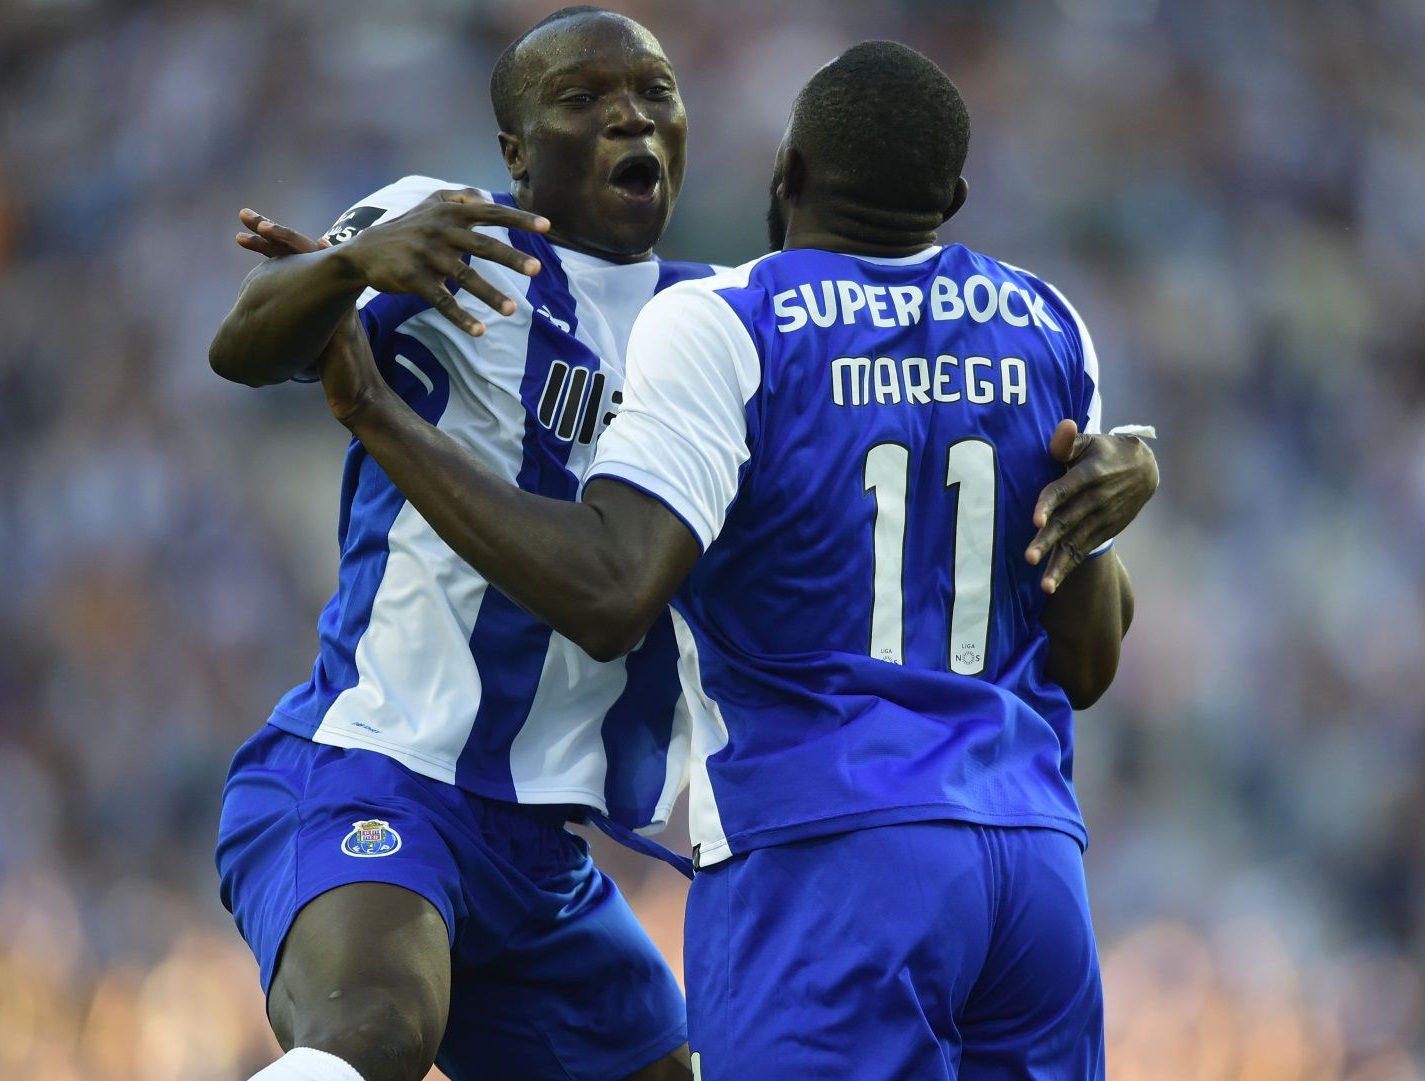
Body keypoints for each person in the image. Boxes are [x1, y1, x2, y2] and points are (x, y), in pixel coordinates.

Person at [307, 38, 1158, 1081]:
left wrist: (374, 412)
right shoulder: (1047, 324)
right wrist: (1112, 519)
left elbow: (615, 585)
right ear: (957, 193)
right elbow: (1089, 664)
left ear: (786, 172)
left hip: (828, 851)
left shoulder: (726, 320)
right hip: (1033, 866)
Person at [210, 8, 707, 1081]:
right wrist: (348, 267)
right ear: (518, 154)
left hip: (542, 849)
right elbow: (245, 343)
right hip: (378, 767)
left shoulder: (718, 324)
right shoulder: (441, 232)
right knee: (375, 1033)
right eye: (582, 99)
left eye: (655, 91)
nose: (631, 114)